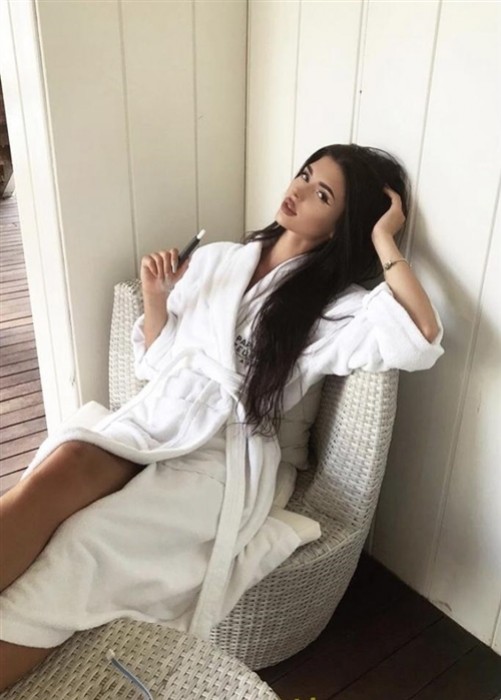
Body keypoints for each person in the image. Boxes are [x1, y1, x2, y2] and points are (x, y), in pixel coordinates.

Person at [0, 143, 444, 690]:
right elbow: (157, 364)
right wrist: (156, 297)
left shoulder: (333, 309)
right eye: (305, 175)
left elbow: (421, 334)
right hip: (160, 414)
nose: (299, 190)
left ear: (341, 226)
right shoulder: (218, 260)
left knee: (87, 545)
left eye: (322, 194)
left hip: (224, 452)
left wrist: (383, 239)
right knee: (63, 465)